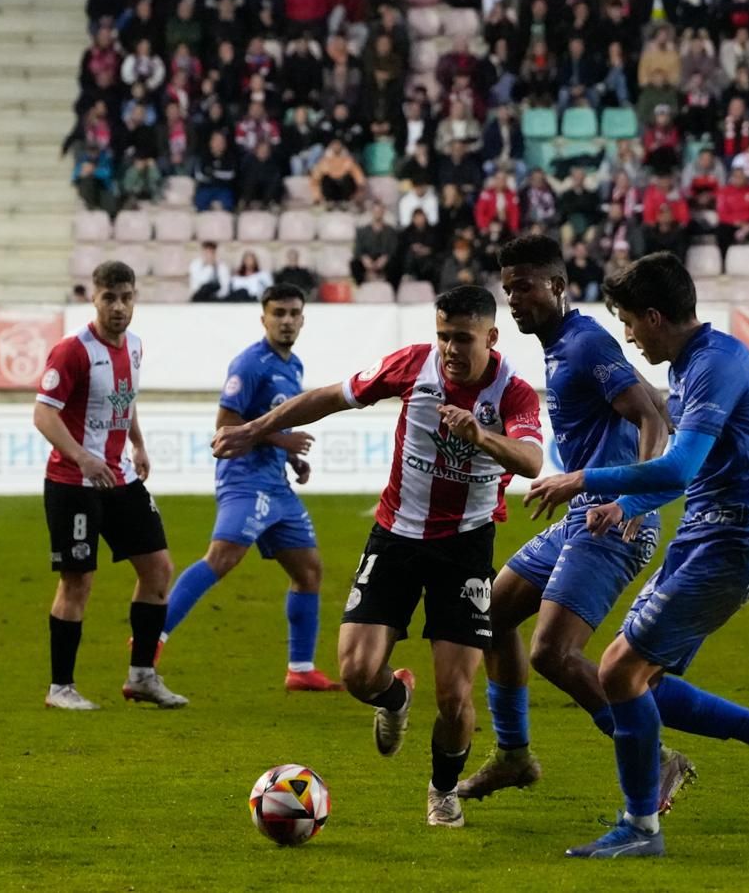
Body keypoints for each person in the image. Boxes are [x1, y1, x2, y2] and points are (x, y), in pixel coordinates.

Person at [213, 286, 545, 828]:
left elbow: (532, 460)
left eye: (462, 338)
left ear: (491, 337)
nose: (449, 349)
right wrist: (255, 428)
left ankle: (442, 792)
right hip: (395, 537)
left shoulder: (513, 395)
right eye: (443, 336)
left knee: (456, 694)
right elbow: (329, 395)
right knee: (358, 673)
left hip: (464, 548)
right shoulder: (412, 366)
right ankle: (393, 698)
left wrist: (482, 436)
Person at [524, 253, 749, 858]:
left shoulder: (714, 364)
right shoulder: (693, 366)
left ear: (654, 316)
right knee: (639, 683)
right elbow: (686, 476)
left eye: (629, 322)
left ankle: (640, 828)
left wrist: (583, 482)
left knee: (618, 672)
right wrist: (627, 504)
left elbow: (680, 465)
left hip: (731, 543)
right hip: (704, 540)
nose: (626, 334)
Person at [456, 237, 694, 810]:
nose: (513, 298)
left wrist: (634, 503)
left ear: (558, 286)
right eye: (507, 287)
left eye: (526, 285)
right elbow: (657, 406)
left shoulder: (585, 342)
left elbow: (649, 420)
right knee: (491, 615)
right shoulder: (564, 343)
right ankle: (514, 755)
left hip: (610, 521)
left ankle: (659, 756)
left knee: (552, 654)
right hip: (581, 517)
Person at [153, 284, 341, 694]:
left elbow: (273, 421)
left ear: (303, 319)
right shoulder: (250, 365)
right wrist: (283, 441)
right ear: (264, 318)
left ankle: (301, 668)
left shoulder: (293, 366)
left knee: (308, 572)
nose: (286, 320)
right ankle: (151, 638)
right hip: (244, 477)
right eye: (279, 313)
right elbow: (226, 425)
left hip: (277, 483)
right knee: (221, 558)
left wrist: (293, 458)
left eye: (294, 313)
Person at [34, 261, 185, 711]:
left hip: (121, 477)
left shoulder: (134, 346)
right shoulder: (72, 351)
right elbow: (44, 413)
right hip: (73, 483)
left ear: (134, 297)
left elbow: (126, 399)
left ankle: (142, 676)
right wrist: (81, 455)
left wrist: (137, 442)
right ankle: (60, 687)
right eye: (109, 298)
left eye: (126, 298)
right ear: (94, 298)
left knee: (158, 569)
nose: (118, 307)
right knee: (78, 582)